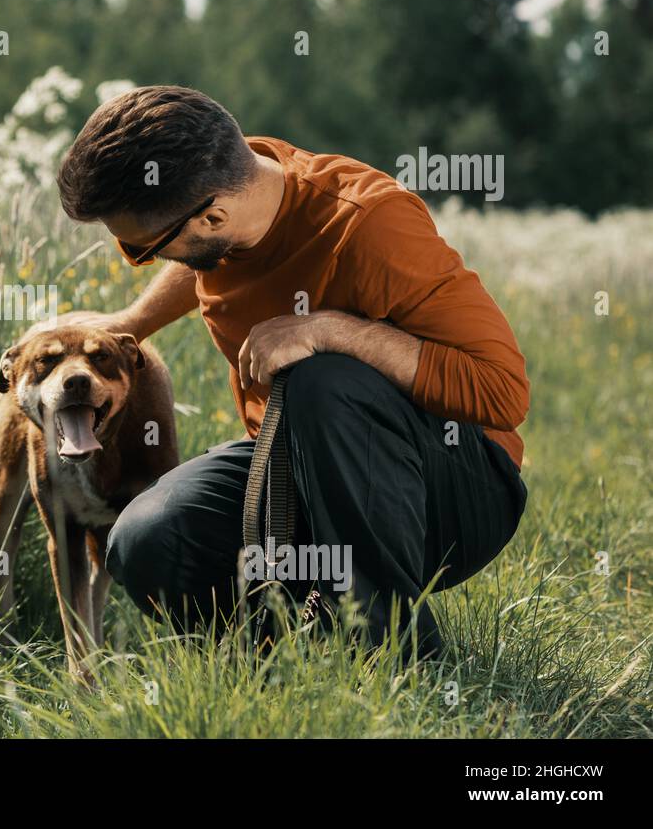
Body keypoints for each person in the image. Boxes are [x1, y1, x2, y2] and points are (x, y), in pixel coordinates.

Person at [56, 85, 530, 659]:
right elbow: (213, 255)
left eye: (145, 251)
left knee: (320, 379)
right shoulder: (246, 184)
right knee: (146, 539)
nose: (148, 262)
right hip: (296, 468)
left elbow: (502, 391)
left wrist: (333, 330)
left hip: (452, 490)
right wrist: (130, 321)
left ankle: (397, 654)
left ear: (211, 216)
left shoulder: (370, 226)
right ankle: (282, 656)